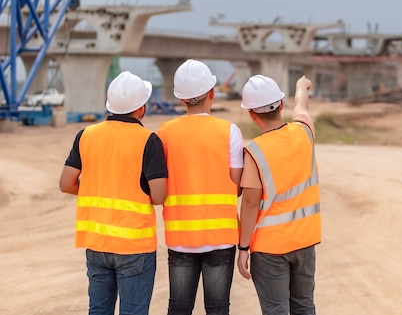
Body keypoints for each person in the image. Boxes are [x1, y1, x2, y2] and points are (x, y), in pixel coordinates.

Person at [59, 71, 168, 315]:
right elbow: (159, 196)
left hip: (96, 242)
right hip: (134, 246)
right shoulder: (148, 140)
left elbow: (66, 183)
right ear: (142, 108)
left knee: (98, 310)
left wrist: (94, 189)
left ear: (109, 106)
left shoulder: (86, 135)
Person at [158, 59, 244, 315]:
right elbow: (237, 184)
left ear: (181, 99)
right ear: (212, 93)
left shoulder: (165, 132)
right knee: (218, 309)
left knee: (179, 308)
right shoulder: (229, 131)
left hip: (180, 237)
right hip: (220, 237)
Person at [237, 74, 322, 315]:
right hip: (305, 241)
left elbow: (251, 204)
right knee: (304, 306)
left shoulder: (254, 151)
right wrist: (301, 86)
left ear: (252, 114)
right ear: (281, 105)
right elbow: (302, 106)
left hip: (269, 248)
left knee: (275, 310)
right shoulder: (304, 131)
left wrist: (243, 249)